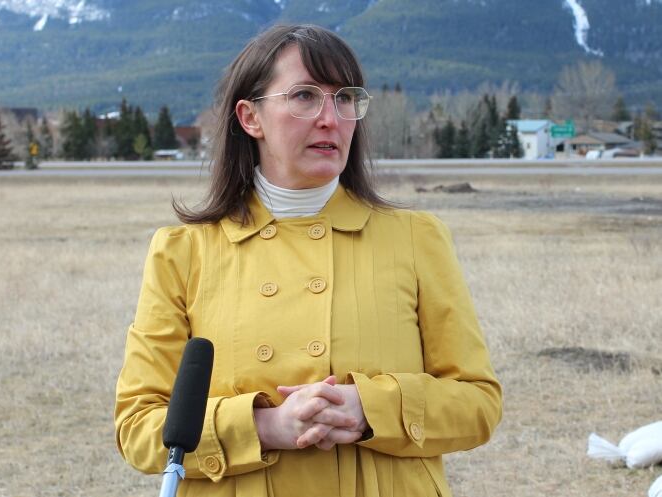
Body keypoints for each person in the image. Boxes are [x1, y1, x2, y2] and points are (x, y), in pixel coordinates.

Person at [115, 24, 502, 497]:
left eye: (344, 99)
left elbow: (478, 403)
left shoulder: (418, 239)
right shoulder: (182, 253)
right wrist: (266, 426)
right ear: (250, 117)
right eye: (304, 96)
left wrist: (371, 410)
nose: (330, 118)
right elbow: (138, 427)